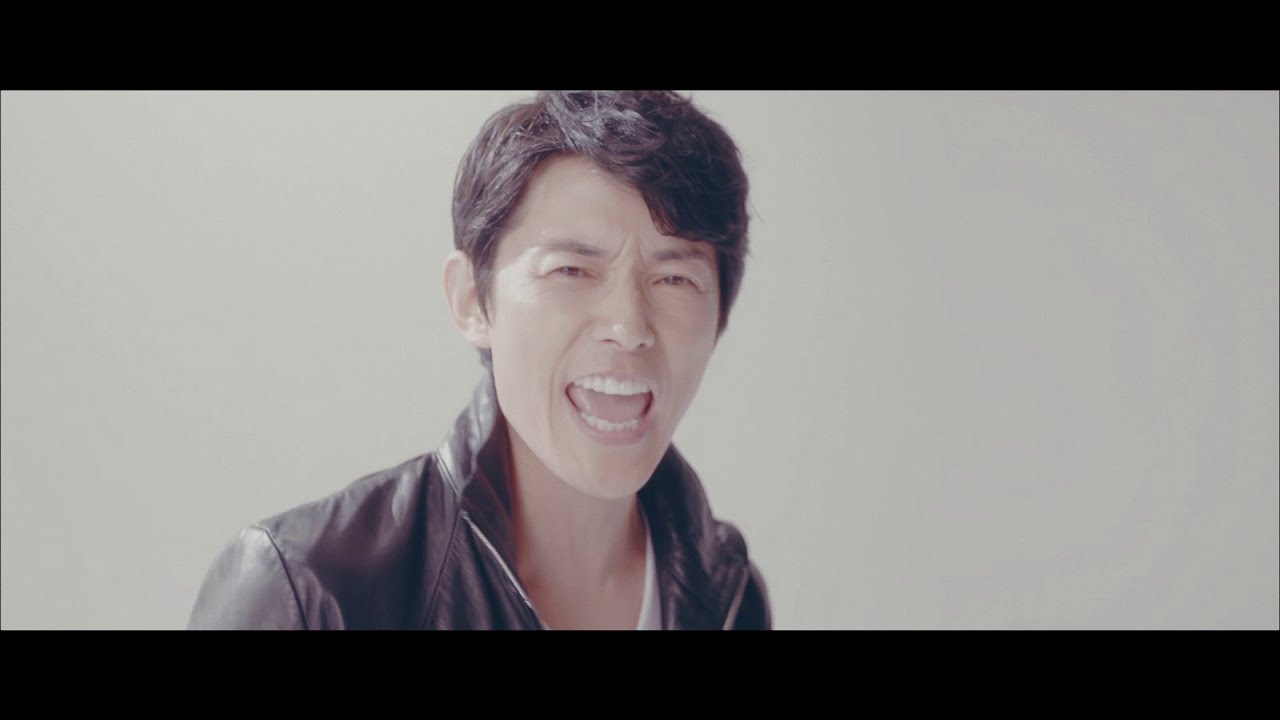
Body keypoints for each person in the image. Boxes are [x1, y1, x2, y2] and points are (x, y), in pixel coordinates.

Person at [187, 91, 771, 630]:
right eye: (571, 270)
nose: (628, 328)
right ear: (472, 300)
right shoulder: (308, 591)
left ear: (720, 316)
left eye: (674, 278)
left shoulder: (729, 594)